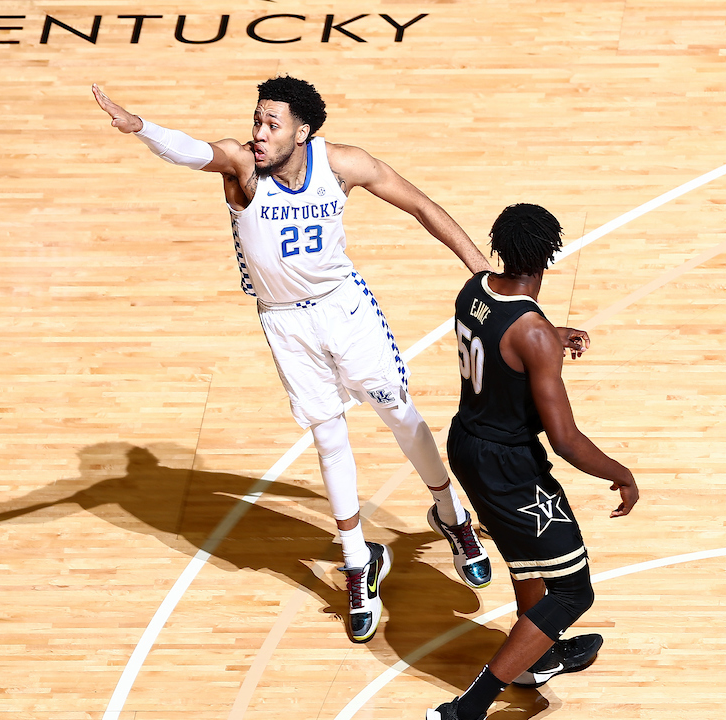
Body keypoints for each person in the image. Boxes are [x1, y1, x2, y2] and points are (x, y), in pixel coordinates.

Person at [92, 77, 493, 645]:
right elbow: (194, 150)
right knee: (328, 437)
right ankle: (358, 564)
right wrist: (143, 129)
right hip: (285, 323)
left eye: (271, 124)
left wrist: (481, 274)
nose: (258, 133)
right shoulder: (243, 168)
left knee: (400, 415)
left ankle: (451, 515)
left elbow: (422, 206)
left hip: (344, 308)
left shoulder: (343, 164)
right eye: (256, 120)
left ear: (302, 132)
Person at [425, 203, 639, 720]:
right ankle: (465, 714)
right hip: (509, 466)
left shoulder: (474, 291)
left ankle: (536, 657)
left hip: (468, 442)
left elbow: (503, 344)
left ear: (498, 247)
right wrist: (621, 472)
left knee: (528, 557)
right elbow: (565, 438)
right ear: (550, 255)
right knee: (572, 590)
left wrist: (548, 338)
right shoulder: (535, 334)